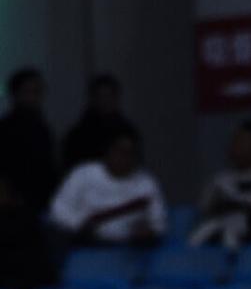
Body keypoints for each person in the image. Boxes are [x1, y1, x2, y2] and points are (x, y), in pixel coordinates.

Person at [49, 123, 166, 245]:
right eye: (120, 152)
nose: (125, 158)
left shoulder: (146, 183)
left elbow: (159, 223)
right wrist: (78, 224)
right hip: (85, 244)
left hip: (128, 247)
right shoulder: (83, 174)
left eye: (131, 153)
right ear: (108, 152)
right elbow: (58, 209)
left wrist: (149, 231)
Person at [190, 118, 251, 248]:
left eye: (243, 142)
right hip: (218, 240)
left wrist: (234, 204)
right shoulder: (219, 179)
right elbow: (205, 210)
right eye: (235, 140)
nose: (236, 146)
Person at [0, 67, 57, 214]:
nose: (35, 97)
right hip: (17, 205)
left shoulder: (41, 125)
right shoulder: (7, 128)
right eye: (29, 91)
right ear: (16, 94)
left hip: (42, 200)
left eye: (38, 91)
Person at [62, 74, 135, 173]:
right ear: (93, 99)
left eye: (109, 96)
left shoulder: (127, 133)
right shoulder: (78, 135)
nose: (105, 101)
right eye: (101, 96)